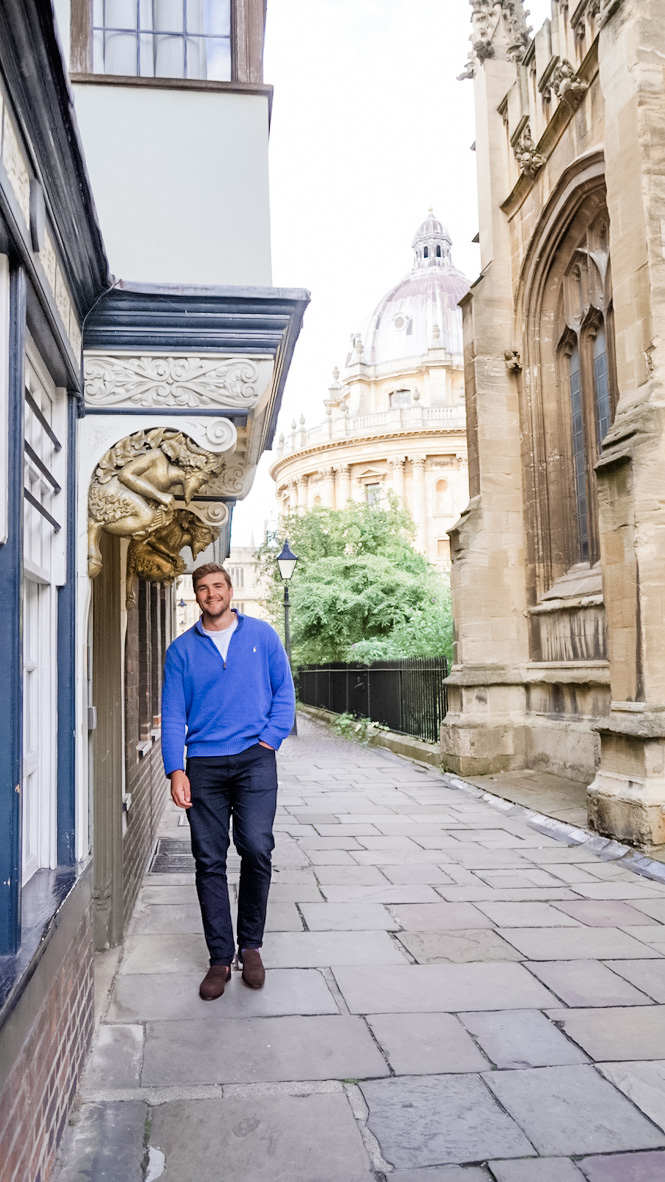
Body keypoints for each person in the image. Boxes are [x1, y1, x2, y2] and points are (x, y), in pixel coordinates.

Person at [161, 562, 295, 1000]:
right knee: (208, 859)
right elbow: (174, 713)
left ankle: (250, 947)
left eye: (217, 586)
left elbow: (284, 694)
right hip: (204, 765)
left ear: (230, 590)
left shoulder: (262, 636)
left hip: (255, 760)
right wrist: (175, 768)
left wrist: (269, 742)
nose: (210, 594)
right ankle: (220, 957)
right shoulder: (180, 651)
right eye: (202, 588)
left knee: (257, 847)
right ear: (196, 595)